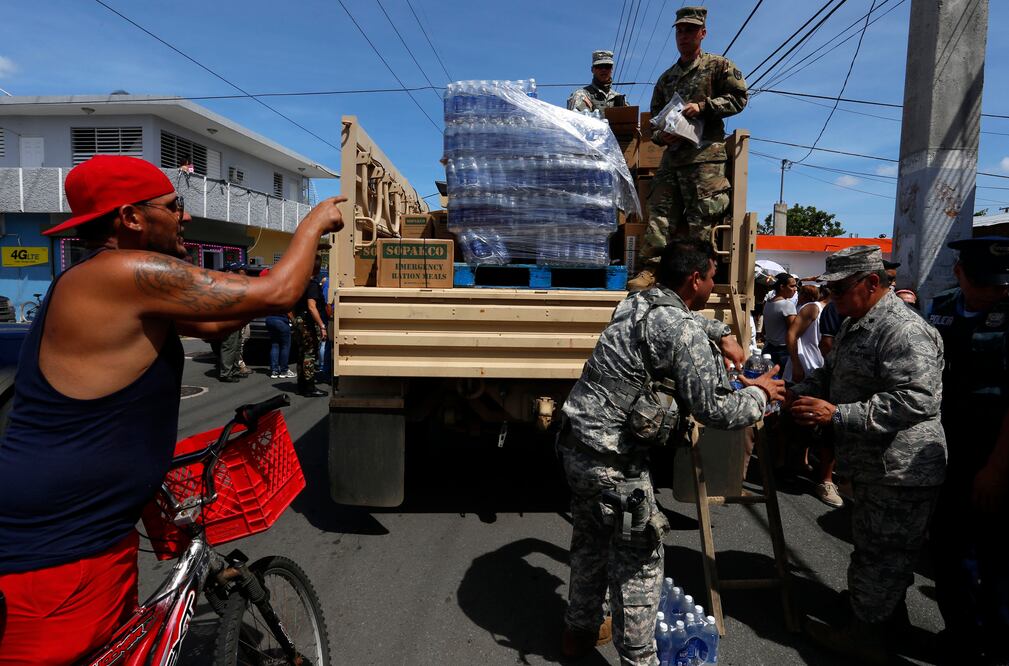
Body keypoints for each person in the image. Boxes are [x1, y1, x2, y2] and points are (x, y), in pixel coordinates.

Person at [0, 155, 344, 664]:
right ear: (131, 218)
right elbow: (277, 294)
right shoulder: (124, 272)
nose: (184, 216)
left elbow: (214, 324)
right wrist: (313, 223)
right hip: (59, 541)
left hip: (96, 525)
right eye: (173, 205)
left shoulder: (110, 280)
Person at [559, 238, 784, 665]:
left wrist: (719, 332)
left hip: (576, 446)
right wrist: (761, 394)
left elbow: (673, 320)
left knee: (589, 543)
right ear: (695, 278)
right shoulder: (678, 330)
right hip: (615, 465)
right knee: (639, 563)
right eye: (713, 277)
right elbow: (716, 409)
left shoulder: (634, 303)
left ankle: (577, 634)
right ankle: (640, 659)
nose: (715, 286)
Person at [787, 245, 946, 664]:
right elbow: (832, 374)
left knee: (880, 556)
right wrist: (790, 394)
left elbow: (918, 399)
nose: (832, 297)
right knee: (879, 553)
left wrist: (839, 414)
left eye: (839, 288)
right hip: (876, 464)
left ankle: (866, 639)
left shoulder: (901, 329)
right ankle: (891, 627)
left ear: (872, 283)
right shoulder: (857, 323)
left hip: (901, 467)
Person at [927, 237, 1009, 664]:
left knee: (996, 556)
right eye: (988, 284)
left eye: (1003, 283)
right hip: (946, 448)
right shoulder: (940, 305)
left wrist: (996, 469)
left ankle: (998, 644)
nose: (999, 291)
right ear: (960, 273)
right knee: (949, 549)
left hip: (996, 449)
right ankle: (961, 635)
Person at [628, 5, 748, 291]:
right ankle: (651, 270)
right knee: (659, 213)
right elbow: (654, 121)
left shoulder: (718, 66)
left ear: (703, 33)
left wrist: (704, 107)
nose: (684, 35)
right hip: (674, 157)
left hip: (705, 157)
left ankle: (698, 276)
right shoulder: (666, 79)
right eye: (680, 30)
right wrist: (661, 136)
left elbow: (739, 99)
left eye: (691, 30)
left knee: (701, 221)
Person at [784, 285, 841, 507]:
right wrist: (796, 363)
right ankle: (790, 464)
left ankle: (814, 470)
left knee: (823, 425)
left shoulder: (843, 314)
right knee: (797, 421)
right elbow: (792, 333)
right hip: (805, 374)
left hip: (825, 374)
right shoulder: (813, 308)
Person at [292, 255, 327, 397]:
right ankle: (310, 387)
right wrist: (322, 326)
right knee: (309, 355)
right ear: (317, 268)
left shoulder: (299, 283)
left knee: (301, 354)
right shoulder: (312, 284)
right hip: (307, 323)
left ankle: (302, 385)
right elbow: (312, 307)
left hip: (299, 320)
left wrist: (294, 319)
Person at [214, 261, 247, 383]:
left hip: (237, 319)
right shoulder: (226, 284)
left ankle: (234, 370)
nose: (244, 272)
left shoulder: (236, 283)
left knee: (236, 346)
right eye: (242, 270)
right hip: (229, 319)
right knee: (229, 346)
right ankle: (226, 373)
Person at [761, 273, 797, 370]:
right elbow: (793, 332)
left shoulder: (768, 303)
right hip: (783, 352)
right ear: (782, 287)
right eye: (792, 286)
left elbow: (764, 330)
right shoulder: (787, 305)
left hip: (768, 349)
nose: (795, 289)